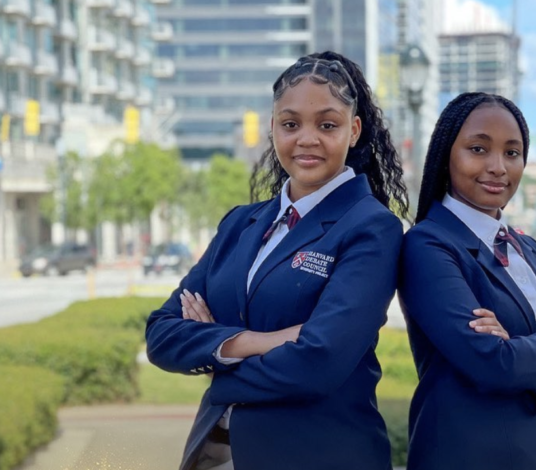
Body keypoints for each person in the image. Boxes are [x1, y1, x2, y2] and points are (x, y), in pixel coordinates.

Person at [146, 51, 408, 470]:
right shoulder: (240, 223)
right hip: (218, 456)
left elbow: (320, 363)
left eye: (327, 124)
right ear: (272, 129)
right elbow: (161, 335)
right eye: (290, 124)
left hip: (320, 456)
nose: (307, 138)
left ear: (354, 130)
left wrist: (216, 361)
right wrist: (255, 342)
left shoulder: (372, 227)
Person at [398, 92, 536, 470]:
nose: (498, 167)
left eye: (512, 152)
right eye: (478, 149)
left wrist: (516, 352)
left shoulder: (529, 249)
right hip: (461, 456)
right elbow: (492, 363)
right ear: (447, 156)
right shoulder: (427, 246)